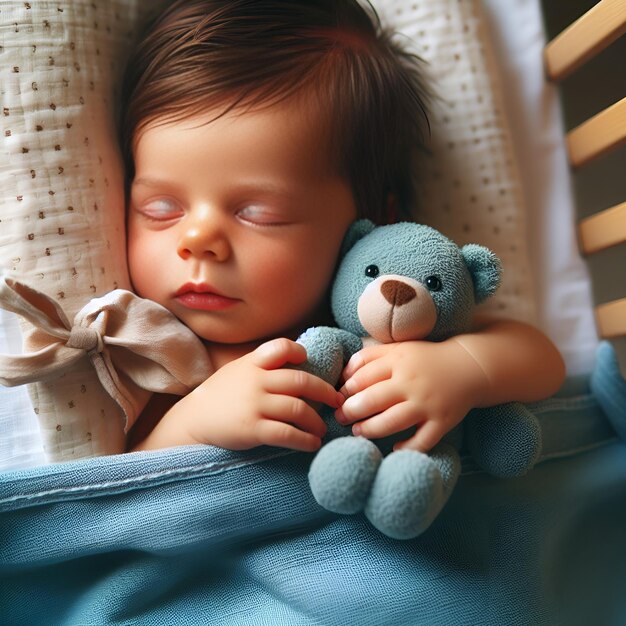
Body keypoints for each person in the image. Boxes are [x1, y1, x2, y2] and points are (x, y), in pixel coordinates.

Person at [121, 0, 565, 454]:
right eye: (160, 208)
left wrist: (462, 368)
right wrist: (193, 422)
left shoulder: (386, 321)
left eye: (258, 214)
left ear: (373, 219)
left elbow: (543, 360)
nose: (197, 241)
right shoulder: (163, 357)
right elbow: (117, 495)